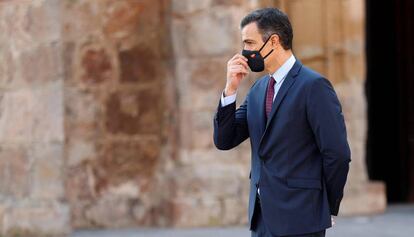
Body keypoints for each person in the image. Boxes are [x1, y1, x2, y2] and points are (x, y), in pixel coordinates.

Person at [213, 8, 351, 237]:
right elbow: (224, 140)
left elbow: (337, 154)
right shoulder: (258, 90)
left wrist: (327, 205)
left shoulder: (313, 86)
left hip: (302, 217)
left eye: (249, 43)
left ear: (273, 41)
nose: (244, 52)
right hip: (262, 219)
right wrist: (230, 89)